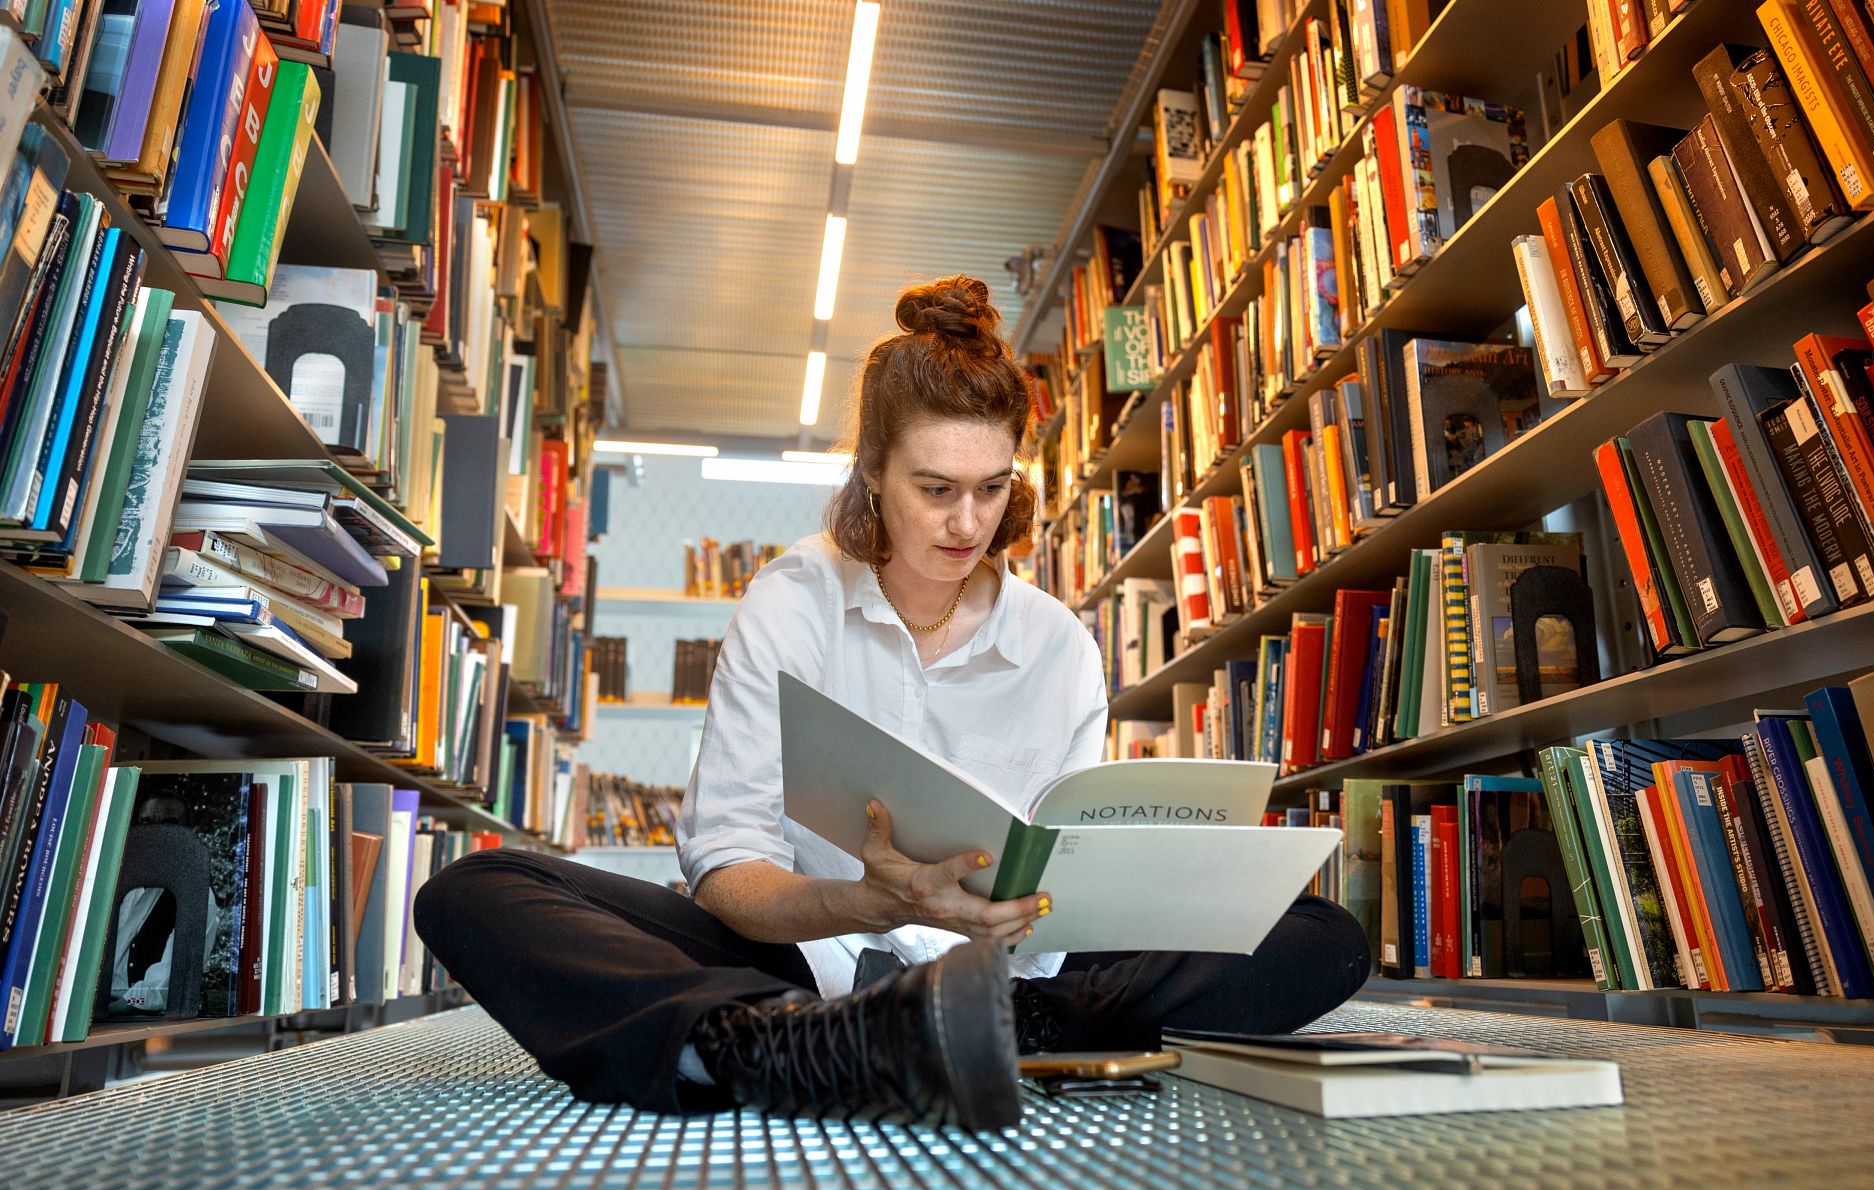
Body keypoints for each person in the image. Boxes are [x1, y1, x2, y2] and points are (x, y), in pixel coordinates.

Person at [415, 276, 1370, 1130]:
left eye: (994, 489)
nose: (968, 524)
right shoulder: (792, 602)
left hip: (1017, 977)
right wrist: (861, 900)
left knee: (1321, 933)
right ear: (872, 470)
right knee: (479, 892)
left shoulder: (1058, 647)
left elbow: (1070, 864)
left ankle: (991, 1025)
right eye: (936, 489)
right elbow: (724, 868)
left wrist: (1054, 906)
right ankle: (803, 1043)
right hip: (811, 969)